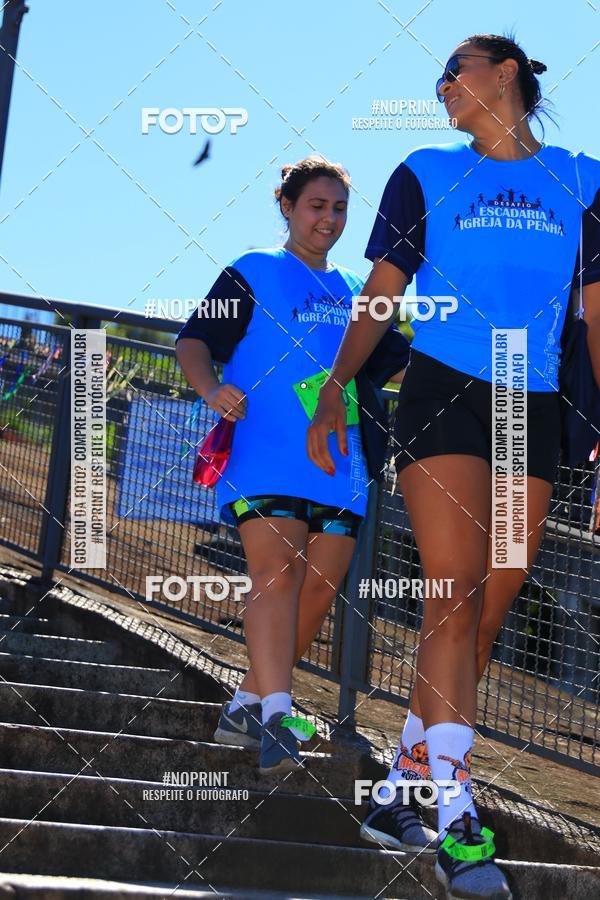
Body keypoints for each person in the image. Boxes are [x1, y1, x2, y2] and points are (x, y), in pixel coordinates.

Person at [307, 33, 600, 900]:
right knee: (455, 590)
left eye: (454, 72)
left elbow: (595, 316)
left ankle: (399, 787)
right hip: (442, 388)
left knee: (488, 607)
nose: (440, 89)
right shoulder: (424, 172)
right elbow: (383, 294)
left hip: (530, 405)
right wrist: (336, 386)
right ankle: (459, 821)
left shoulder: (584, 180)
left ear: (504, 74)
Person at [175, 156, 410, 775]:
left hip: (341, 461)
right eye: (315, 205)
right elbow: (194, 340)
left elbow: (394, 361)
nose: (327, 219)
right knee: (275, 573)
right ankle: (279, 711)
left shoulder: (355, 292)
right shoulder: (253, 270)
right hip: (265, 448)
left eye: (338, 208)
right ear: (286, 205)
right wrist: (210, 390)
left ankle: (246, 705)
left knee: (319, 588)